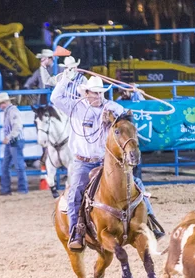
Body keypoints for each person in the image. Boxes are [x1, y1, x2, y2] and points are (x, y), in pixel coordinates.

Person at [50, 73, 163, 250]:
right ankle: (76, 232)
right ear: (86, 93)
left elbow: (127, 120)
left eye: (100, 93)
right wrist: (65, 77)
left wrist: (133, 97)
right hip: (83, 162)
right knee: (75, 194)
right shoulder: (75, 107)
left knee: (136, 184)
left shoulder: (111, 107)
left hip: (107, 161)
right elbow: (55, 97)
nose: (98, 96)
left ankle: (151, 223)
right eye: (94, 93)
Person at [0, 92, 28, 195]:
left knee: (16, 166)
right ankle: (10, 189)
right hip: (13, 141)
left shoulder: (12, 111)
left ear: (4, 102)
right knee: (9, 165)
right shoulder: (11, 111)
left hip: (14, 141)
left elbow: (17, 126)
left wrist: (8, 137)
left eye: (0, 104)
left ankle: (19, 189)